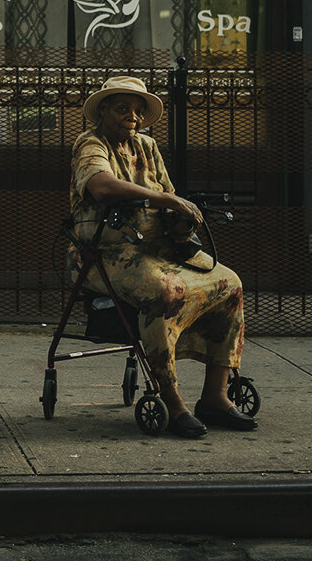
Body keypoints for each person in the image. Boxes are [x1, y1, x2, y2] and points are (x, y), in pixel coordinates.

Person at [68, 74, 254, 438]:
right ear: (103, 109)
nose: (132, 116)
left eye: (138, 111)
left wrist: (181, 222)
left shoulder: (148, 148)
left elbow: (168, 202)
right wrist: (167, 199)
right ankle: (170, 397)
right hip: (106, 253)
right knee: (165, 291)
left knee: (229, 283)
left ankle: (215, 396)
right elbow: (102, 186)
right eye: (123, 108)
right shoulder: (90, 143)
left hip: (158, 248)